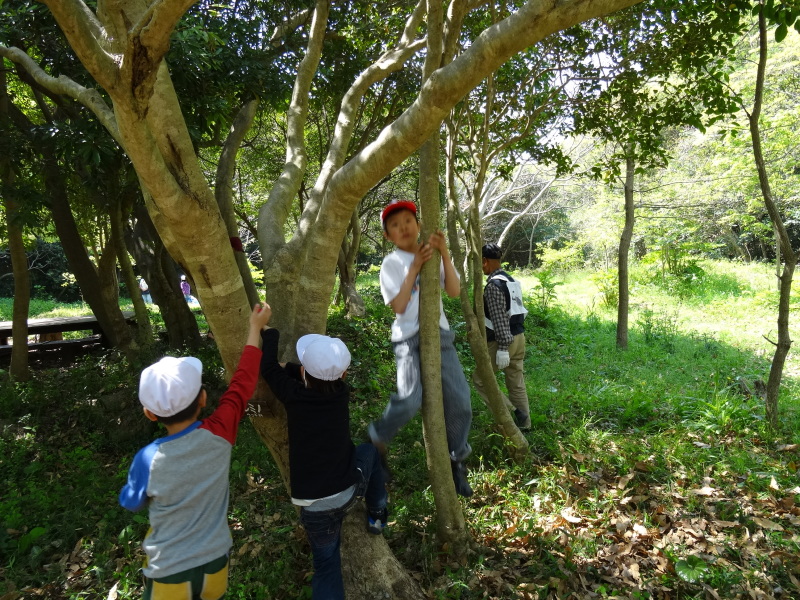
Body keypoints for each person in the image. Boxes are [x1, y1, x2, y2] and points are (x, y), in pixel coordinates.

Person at [119, 303, 271, 600]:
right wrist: (255, 328)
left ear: (150, 414)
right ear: (203, 398)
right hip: (215, 565)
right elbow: (242, 384)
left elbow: (131, 502)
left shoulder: (147, 459)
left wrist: (131, 492)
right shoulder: (219, 432)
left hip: (169, 572)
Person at [259, 310, 388, 600]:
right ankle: (378, 513)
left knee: (327, 566)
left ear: (303, 372)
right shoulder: (342, 392)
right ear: (343, 374)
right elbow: (303, 374)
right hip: (348, 490)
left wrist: (270, 333)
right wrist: (293, 368)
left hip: (315, 507)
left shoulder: (294, 395)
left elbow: (268, 368)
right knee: (369, 452)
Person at [367, 199, 473, 497]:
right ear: (388, 236)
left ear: (419, 225)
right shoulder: (391, 263)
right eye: (394, 225)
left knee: (460, 400)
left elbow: (452, 292)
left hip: (440, 335)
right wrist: (414, 268)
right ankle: (378, 437)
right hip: (407, 338)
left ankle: (457, 461)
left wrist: (445, 256)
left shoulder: (433, 255)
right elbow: (399, 307)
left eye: (407, 221)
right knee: (411, 398)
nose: (403, 228)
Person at [473, 243, 531, 430]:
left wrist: (503, 349)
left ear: (485, 261)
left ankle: (513, 414)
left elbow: (499, 319)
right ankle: (525, 425)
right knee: (516, 382)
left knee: (481, 379)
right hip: (519, 337)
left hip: (503, 341)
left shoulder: (493, 286)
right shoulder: (510, 280)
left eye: (479, 263)